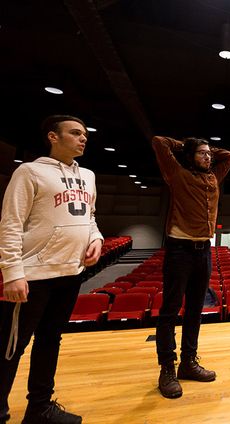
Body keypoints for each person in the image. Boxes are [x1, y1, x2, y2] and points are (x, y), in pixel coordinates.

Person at [0, 115, 103, 424]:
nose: (83, 138)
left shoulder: (88, 175)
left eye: (84, 134)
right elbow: (11, 223)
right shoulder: (29, 171)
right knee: (10, 347)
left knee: (50, 340)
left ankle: (40, 408)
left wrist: (96, 237)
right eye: (75, 133)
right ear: (53, 137)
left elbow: (90, 215)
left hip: (70, 274)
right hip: (33, 276)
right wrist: (13, 272)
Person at [152, 135, 230, 398]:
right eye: (202, 154)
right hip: (180, 251)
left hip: (203, 252)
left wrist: (205, 149)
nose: (208, 157)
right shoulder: (177, 173)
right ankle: (167, 368)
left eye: (210, 153)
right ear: (190, 156)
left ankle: (188, 362)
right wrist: (186, 147)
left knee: (195, 311)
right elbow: (158, 142)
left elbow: (229, 156)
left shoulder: (213, 177)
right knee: (170, 311)